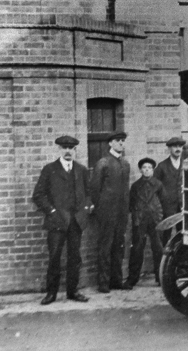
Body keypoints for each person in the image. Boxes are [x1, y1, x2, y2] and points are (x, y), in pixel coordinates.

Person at [32, 135, 92, 305]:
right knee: (54, 257)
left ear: (75, 150)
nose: (67, 151)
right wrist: (51, 211)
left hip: (76, 221)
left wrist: (85, 210)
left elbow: (88, 194)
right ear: (59, 149)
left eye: (71, 148)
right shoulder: (49, 169)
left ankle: (73, 291)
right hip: (56, 221)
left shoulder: (81, 170)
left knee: (75, 257)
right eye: (64, 148)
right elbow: (38, 195)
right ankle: (51, 293)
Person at [90, 130, 131, 293]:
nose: (121, 143)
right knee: (105, 247)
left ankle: (116, 280)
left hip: (121, 212)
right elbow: (94, 189)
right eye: (118, 140)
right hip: (107, 212)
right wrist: (101, 208)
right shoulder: (103, 163)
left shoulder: (125, 164)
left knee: (119, 246)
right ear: (110, 143)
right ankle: (103, 282)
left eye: (123, 140)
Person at [124, 158, 164, 289]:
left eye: (149, 168)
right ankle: (132, 279)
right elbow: (131, 203)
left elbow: (163, 201)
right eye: (144, 168)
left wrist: (158, 215)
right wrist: (137, 215)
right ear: (141, 170)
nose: (147, 170)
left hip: (155, 220)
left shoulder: (158, 184)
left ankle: (160, 277)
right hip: (140, 220)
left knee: (158, 248)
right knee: (137, 248)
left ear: (153, 170)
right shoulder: (135, 186)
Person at [154, 136, 185, 244]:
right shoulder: (162, 166)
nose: (178, 149)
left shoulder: (187, 164)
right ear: (169, 149)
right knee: (165, 234)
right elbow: (155, 187)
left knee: (182, 233)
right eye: (175, 146)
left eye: (180, 146)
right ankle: (163, 252)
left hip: (182, 206)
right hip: (167, 207)